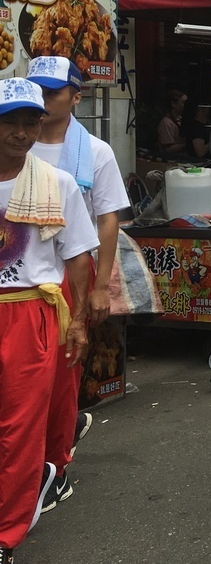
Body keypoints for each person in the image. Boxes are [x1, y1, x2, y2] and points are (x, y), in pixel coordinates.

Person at [0, 78, 98, 564]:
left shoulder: (54, 183)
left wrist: (78, 319)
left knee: (18, 430)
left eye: (30, 122)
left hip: (29, 314)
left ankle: (5, 536)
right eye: (11, 121)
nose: (21, 132)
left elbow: (78, 254)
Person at [26, 56, 130, 512]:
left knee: (63, 374)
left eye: (54, 92)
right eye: (38, 92)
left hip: (71, 272)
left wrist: (101, 286)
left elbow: (106, 220)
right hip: (19, 272)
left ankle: (56, 468)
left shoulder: (96, 151)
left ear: (76, 96)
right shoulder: (15, 142)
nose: (45, 101)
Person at [157, 88, 188, 155]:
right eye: (184, 103)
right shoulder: (166, 123)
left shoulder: (181, 119)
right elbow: (168, 149)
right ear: (173, 103)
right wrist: (187, 144)